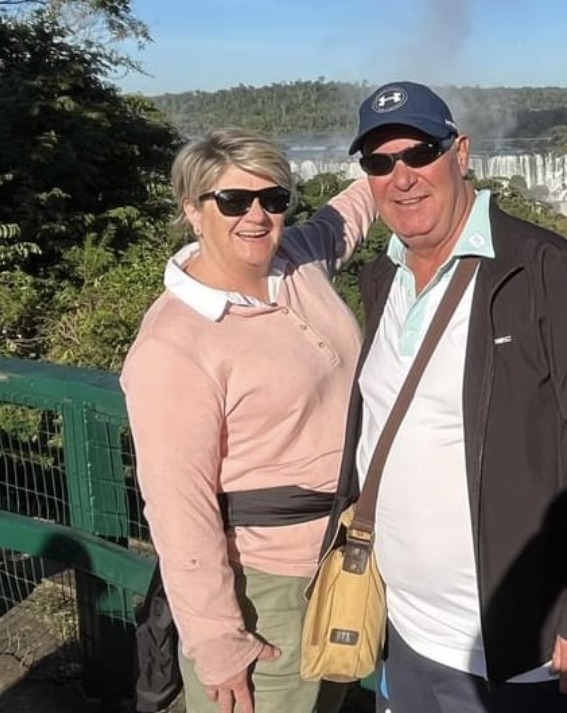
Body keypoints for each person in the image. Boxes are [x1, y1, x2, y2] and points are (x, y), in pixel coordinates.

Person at [330, 81, 567, 712]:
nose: (402, 176)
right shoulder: (381, 278)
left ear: (461, 152)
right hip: (399, 627)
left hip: (508, 651)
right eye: (379, 162)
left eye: (420, 152)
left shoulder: (545, 270)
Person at [121, 129, 376, 713]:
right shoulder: (175, 343)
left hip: (343, 559)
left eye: (274, 199)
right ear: (192, 210)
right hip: (263, 586)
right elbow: (178, 506)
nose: (256, 216)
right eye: (233, 201)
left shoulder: (296, 263)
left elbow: (349, 214)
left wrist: (400, 169)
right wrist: (217, 639)